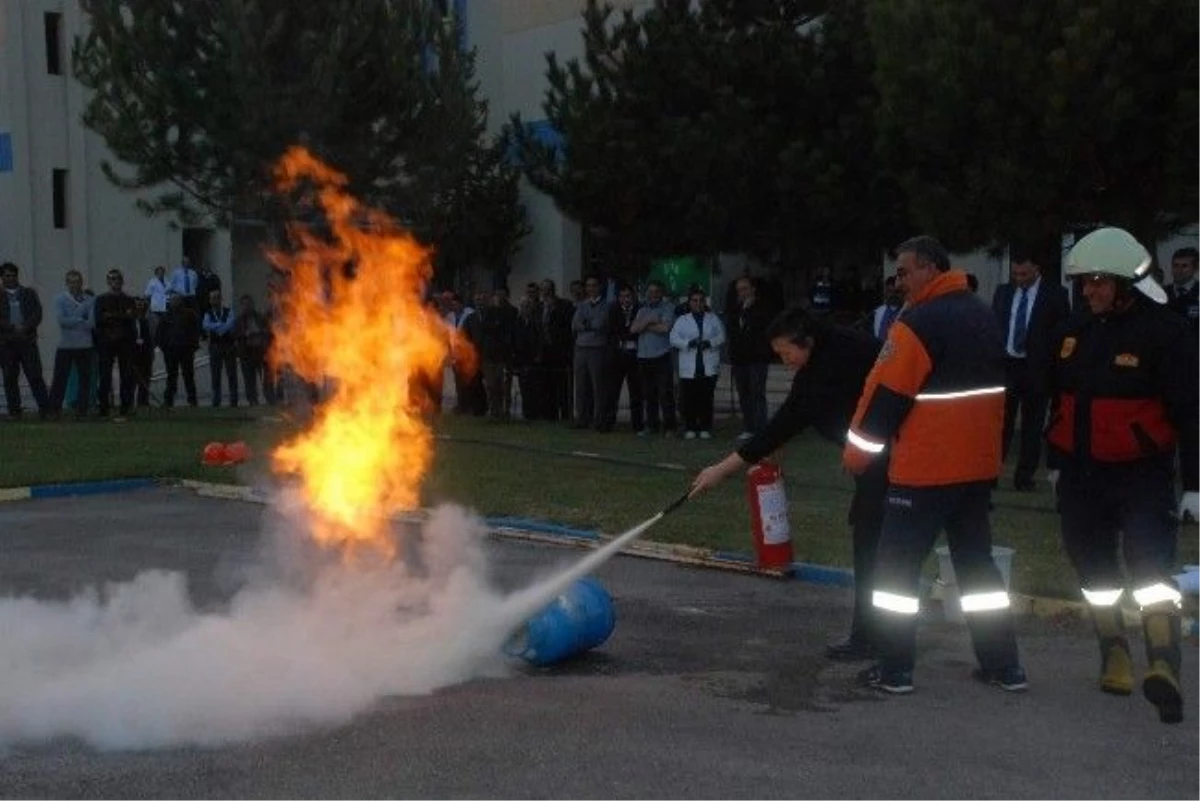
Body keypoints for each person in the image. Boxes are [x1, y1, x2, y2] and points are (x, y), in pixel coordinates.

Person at [843, 235, 1025, 695]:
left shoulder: (918, 323)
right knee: (979, 571)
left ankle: (894, 669)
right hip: (976, 468)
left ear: (929, 268)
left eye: (904, 272)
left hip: (924, 470)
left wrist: (858, 456)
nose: (898, 282)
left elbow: (886, 396)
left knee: (894, 574)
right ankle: (1005, 667)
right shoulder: (983, 315)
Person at [1044, 227, 1200, 724]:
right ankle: (1113, 651)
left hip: (1143, 478)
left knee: (1151, 572)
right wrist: (1054, 461)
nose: (1087, 291)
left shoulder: (1167, 334)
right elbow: (1055, 402)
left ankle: (1164, 666)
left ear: (1125, 283)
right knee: (1094, 572)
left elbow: (1192, 412)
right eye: (1083, 283)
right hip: (1081, 476)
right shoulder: (1074, 333)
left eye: (1097, 283)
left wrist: (1194, 484)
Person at [691, 308, 887, 660]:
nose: (785, 362)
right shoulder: (837, 350)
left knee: (873, 544)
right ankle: (874, 635)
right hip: (881, 462)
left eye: (786, 354)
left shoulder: (834, 364)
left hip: (894, 466)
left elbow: (786, 421)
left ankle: (872, 638)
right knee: (877, 543)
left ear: (807, 341)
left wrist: (721, 470)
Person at [992, 249, 1071, 490]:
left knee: (1032, 426)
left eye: (1024, 273)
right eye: (1015, 274)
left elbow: (1062, 334)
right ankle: (992, 474)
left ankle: (1024, 477)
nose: (1019, 278)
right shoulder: (1003, 293)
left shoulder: (1055, 295)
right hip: (1008, 366)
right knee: (1000, 425)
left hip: (1037, 368)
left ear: (1037, 269)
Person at [669, 288, 725, 439]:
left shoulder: (712, 318)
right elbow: (673, 338)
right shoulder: (682, 320)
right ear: (689, 303)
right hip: (689, 366)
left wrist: (710, 343)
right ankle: (690, 427)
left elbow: (721, 336)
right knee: (689, 398)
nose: (698, 303)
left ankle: (705, 427)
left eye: (701, 300)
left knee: (706, 397)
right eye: (695, 300)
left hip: (708, 364)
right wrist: (688, 343)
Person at [0, 261, 51, 418]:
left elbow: (37, 313)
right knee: (10, 377)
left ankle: (45, 409)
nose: (10, 278)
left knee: (35, 375)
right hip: (7, 342)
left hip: (27, 341)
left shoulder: (28, 293)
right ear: (2, 277)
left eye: (13, 275)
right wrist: (11, 327)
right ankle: (14, 410)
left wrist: (25, 327)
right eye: (7, 276)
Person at [726, 277, 774, 439]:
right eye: (739, 290)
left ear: (753, 289)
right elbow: (732, 330)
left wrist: (747, 311)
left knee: (757, 393)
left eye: (745, 289)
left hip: (757, 358)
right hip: (740, 359)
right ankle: (749, 427)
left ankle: (761, 429)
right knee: (744, 393)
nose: (742, 293)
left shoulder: (763, 307)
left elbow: (759, 329)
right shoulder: (735, 308)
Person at [92, 268, 138, 418]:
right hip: (106, 342)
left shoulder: (129, 300)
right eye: (112, 279)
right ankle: (103, 407)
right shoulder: (100, 299)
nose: (115, 282)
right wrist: (122, 315)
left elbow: (131, 318)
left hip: (125, 342)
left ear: (122, 281)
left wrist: (111, 316)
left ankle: (126, 406)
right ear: (107, 281)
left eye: (117, 278)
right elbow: (99, 319)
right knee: (104, 375)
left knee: (127, 375)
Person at [48, 270, 95, 417]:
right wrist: (80, 318)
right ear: (67, 283)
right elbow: (62, 321)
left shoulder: (91, 299)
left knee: (85, 379)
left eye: (77, 281)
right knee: (60, 378)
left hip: (85, 345)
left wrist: (73, 318)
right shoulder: (60, 299)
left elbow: (91, 324)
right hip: (66, 345)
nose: (75, 285)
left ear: (82, 282)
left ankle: (82, 409)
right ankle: (54, 409)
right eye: (71, 282)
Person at [203, 289, 239, 407]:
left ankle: (234, 400)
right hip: (215, 346)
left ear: (220, 299)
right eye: (212, 298)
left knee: (231, 373)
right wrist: (221, 326)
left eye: (217, 297)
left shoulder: (229, 311)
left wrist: (218, 328)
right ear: (209, 300)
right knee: (215, 375)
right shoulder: (207, 313)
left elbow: (231, 324)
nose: (215, 300)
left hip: (229, 346)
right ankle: (216, 401)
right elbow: (206, 325)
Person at [1166, 246, 1200, 337]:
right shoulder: (1161, 293)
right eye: (1175, 265)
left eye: (1184, 266)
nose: (1179, 270)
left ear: (1196, 268)